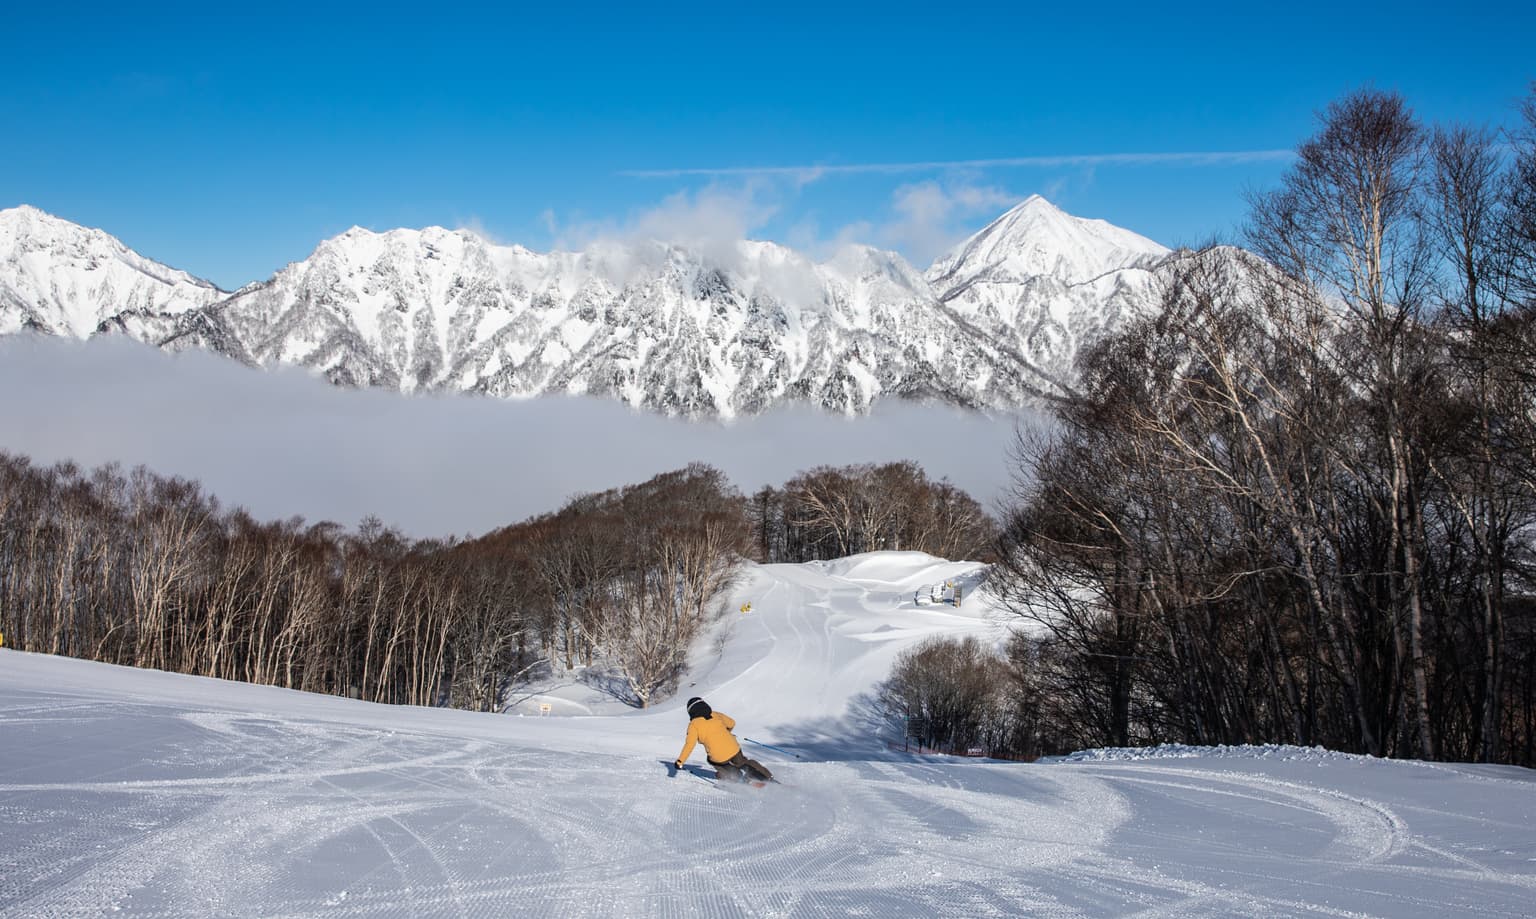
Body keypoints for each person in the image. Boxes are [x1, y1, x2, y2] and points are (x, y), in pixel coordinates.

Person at [674, 696, 773, 784]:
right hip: (734, 748)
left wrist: (680, 761)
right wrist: (726, 733)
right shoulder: (715, 714)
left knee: (712, 761)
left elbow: (689, 745)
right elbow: (732, 723)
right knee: (743, 762)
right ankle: (768, 777)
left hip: (718, 756)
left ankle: (735, 777)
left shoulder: (693, 725)